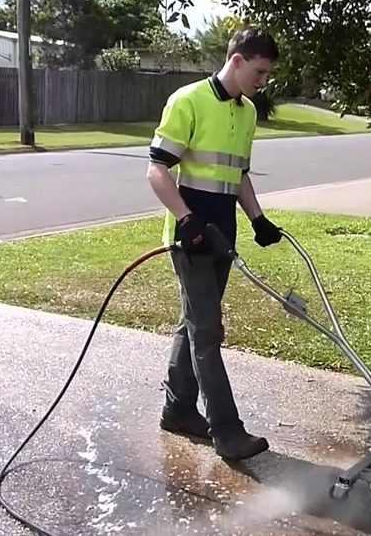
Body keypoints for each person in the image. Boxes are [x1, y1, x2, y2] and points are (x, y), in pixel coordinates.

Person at [145, 27, 283, 461]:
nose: (263, 81)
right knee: (207, 331)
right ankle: (226, 430)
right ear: (238, 60)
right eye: (259, 71)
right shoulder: (187, 101)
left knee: (193, 325)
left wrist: (258, 220)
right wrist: (185, 220)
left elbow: (238, 175)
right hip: (191, 239)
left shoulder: (247, 114)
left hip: (223, 236)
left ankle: (178, 410)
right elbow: (157, 171)